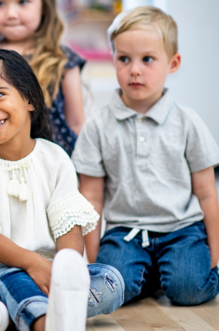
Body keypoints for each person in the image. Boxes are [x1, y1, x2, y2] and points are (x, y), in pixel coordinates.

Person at [0, 49, 124, 331]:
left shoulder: (55, 158)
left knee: (111, 280)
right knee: (12, 280)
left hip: (46, 270)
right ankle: (46, 327)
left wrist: (63, 271)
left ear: (29, 99)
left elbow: (68, 227)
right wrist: (32, 264)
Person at [74, 6, 219, 306]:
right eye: (124, 59)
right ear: (113, 59)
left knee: (189, 289)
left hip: (182, 230)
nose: (134, 70)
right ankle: (149, 274)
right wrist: (92, 262)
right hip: (125, 231)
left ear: (173, 63)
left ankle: (167, 272)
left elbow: (207, 193)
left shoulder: (187, 121)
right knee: (112, 288)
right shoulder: (98, 124)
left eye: (147, 59)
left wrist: (215, 255)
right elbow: (91, 197)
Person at [0, 0, 86, 156]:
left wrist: (86, 174)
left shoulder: (63, 59)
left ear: (45, 7)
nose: (11, 15)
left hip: (54, 163)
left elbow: (77, 123)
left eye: (23, 2)